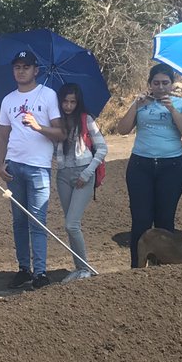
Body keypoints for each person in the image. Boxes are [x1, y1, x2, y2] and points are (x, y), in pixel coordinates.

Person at [115, 63, 182, 268]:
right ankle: (137, 266)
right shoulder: (142, 103)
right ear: (149, 84)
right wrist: (135, 105)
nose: (160, 87)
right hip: (141, 165)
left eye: (165, 83)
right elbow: (122, 130)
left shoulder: (181, 104)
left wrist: (172, 109)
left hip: (172, 166)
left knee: (164, 219)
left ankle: (163, 266)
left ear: (172, 84)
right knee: (141, 220)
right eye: (156, 83)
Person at [0, 50, 64, 288]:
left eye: (26, 66)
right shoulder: (8, 100)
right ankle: (24, 269)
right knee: (18, 221)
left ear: (36, 70)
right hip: (14, 165)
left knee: (38, 220)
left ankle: (41, 272)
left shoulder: (48, 95)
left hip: (38, 167)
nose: (21, 70)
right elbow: (3, 136)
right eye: (17, 67)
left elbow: (60, 132)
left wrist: (37, 127)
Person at [54, 83, 107, 282]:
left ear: (78, 102)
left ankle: (85, 268)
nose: (68, 105)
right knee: (70, 224)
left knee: (71, 224)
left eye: (72, 102)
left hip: (83, 172)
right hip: (62, 175)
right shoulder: (56, 122)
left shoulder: (86, 119)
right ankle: (78, 267)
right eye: (65, 101)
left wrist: (87, 173)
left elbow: (102, 148)